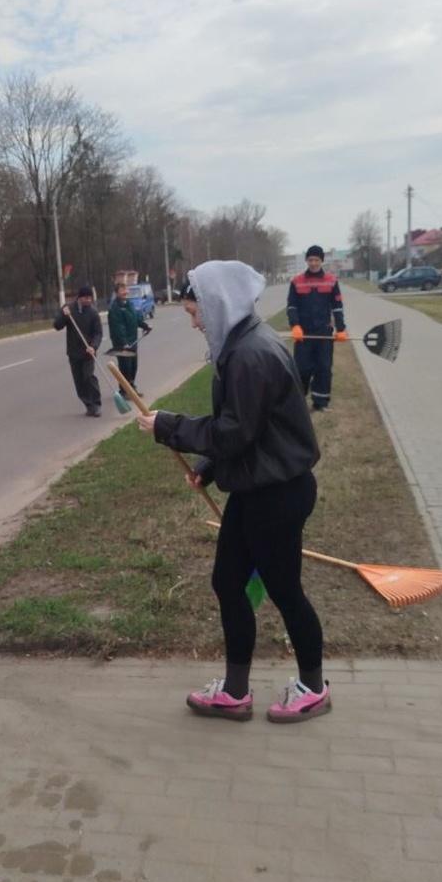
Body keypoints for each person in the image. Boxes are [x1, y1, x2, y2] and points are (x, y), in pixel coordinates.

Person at [135, 260, 331, 724]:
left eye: (195, 313)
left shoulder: (250, 355)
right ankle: (236, 691)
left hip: (277, 495)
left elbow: (233, 432)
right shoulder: (243, 344)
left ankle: (314, 688)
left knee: (285, 591)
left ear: (218, 305)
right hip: (255, 489)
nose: (195, 323)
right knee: (227, 582)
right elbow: (251, 430)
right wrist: (210, 467)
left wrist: (168, 426)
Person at [286, 244, 348, 412]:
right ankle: (298, 403)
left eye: (317, 260)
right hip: (303, 334)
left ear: (321, 261)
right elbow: (291, 306)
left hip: (324, 332)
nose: (313, 263)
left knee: (323, 367)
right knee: (302, 369)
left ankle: (320, 402)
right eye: (311, 259)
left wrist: (341, 328)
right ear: (307, 260)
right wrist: (295, 325)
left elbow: (337, 306)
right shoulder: (297, 281)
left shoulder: (331, 281)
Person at [53, 285, 103, 417]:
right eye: (86, 298)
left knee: (88, 377)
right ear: (79, 297)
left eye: (90, 298)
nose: (88, 300)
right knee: (79, 381)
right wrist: (63, 316)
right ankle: (89, 405)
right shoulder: (68, 308)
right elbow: (57, 326)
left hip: (88, 352)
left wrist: (93, 346)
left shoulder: (93, 312)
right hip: (74, 352)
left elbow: (98, 333)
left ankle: (96, 404)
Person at [108, 281, 151, 394]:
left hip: (133, 341)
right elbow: (118, 327)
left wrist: (145, 326)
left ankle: (131, 387)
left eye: (126, 289)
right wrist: (124, 342)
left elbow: (135, 319)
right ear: (117, 293)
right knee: (125, 366)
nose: (125, 292)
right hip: (122, 343)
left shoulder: (129, 304)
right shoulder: (115, 308)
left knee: (133, 365)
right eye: (122, 290)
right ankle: (124, 390)